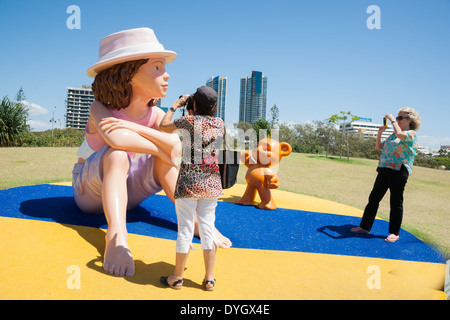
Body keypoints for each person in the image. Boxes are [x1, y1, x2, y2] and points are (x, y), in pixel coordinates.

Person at [159, 86, 224, 291]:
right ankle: (209, 279)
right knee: (207, 230)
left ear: (194, 104)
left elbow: (163, 126)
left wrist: (176, 104)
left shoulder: (189, 121)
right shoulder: (219, 123)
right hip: (212, 184)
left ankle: (177, 278)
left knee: (185, 229)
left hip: (188, 184)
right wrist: (194, 106)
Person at [351, 107, 421, 243]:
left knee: (395, 202)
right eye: (397, 117)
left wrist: (392, 120)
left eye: (400, 118)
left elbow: (401, 135)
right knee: (373, 199)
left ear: (409, 120)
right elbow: (379, 147)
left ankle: (394, 233)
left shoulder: (411, 134)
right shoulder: (393, 135)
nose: (398, 120)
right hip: (384, 169)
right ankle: (364, 227)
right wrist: (379, 133)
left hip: (399, 171)